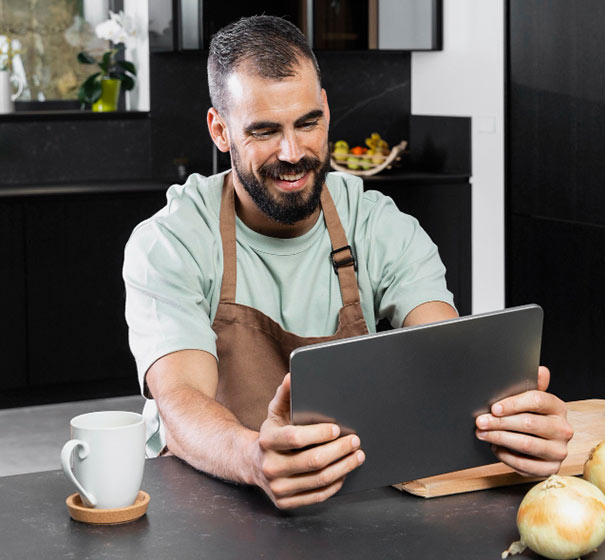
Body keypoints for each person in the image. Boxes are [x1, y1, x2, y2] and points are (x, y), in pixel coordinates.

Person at [123, 16, 572, 510]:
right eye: (265, 131)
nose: (292, 153)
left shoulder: (380, 226)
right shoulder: (171, 240)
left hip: (346, 493)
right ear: (220, 130)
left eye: (307, 122)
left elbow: (446, 358)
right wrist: (253, 458)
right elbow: (181, 403)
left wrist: (511, 426)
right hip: (209, 498)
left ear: (327, 109)